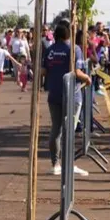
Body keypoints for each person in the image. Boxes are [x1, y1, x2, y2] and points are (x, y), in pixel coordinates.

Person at [42, 22, 92, 176]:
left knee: (56, 130)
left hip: (54, 94)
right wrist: (87, 78)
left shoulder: (50, 50)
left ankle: (55, 164)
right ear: (68, 35)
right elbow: (77, 72)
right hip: (72, 95)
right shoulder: (73, 49)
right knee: (69, 130)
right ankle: (68, 164)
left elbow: (43, 71)